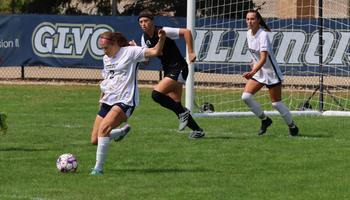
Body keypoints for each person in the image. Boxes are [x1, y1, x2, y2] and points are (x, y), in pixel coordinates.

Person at [90, 29, 166, 175]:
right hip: (108, 100)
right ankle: (119, 132)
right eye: (102, 48)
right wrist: (102, 98)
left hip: (125, 100)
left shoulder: (130, 52)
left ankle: (98, 168)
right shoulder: (106, 59)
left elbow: (155, 52)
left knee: (104, 129)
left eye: (106, 48)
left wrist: (161, 40)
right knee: (95, 140)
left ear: (116, 43)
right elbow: (108, 79)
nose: (104, 51)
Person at [131, 9, 204, 139]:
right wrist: (136, 50)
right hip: (169, 70)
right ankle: (198, 130)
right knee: (177, 106)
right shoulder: (144, 38)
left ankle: (184, 113)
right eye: (141, 21)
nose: (143, 24)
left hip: (179, 68)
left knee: (156, 94)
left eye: (146, 21)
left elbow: (186, 32)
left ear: (152, 21)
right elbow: (146, 62)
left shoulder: (163, 31)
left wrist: (191, 52)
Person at [242, 10, 299, 136]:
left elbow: (263, 58)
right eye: (247, 19)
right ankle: (265, 120)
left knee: (276, 103)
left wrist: (252, 71)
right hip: (259, 72)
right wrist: (253, 62)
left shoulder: (263, 35)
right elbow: (255, 54)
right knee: (246, 97)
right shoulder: (248, 33)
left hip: (270, 72)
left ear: (258, 20)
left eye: (252, 19)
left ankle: (293, 127)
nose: (249, 22)